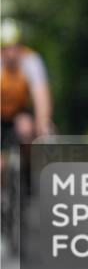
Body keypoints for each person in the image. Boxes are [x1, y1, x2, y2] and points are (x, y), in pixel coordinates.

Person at [1, 17, 54, 163]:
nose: (11, 54)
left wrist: (42, 123)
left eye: (14, 48)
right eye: (6, 49)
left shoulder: (31, 61)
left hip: (20, 112)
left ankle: (32, 172)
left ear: (20, 46)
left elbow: (41, 95)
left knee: (29, 129)